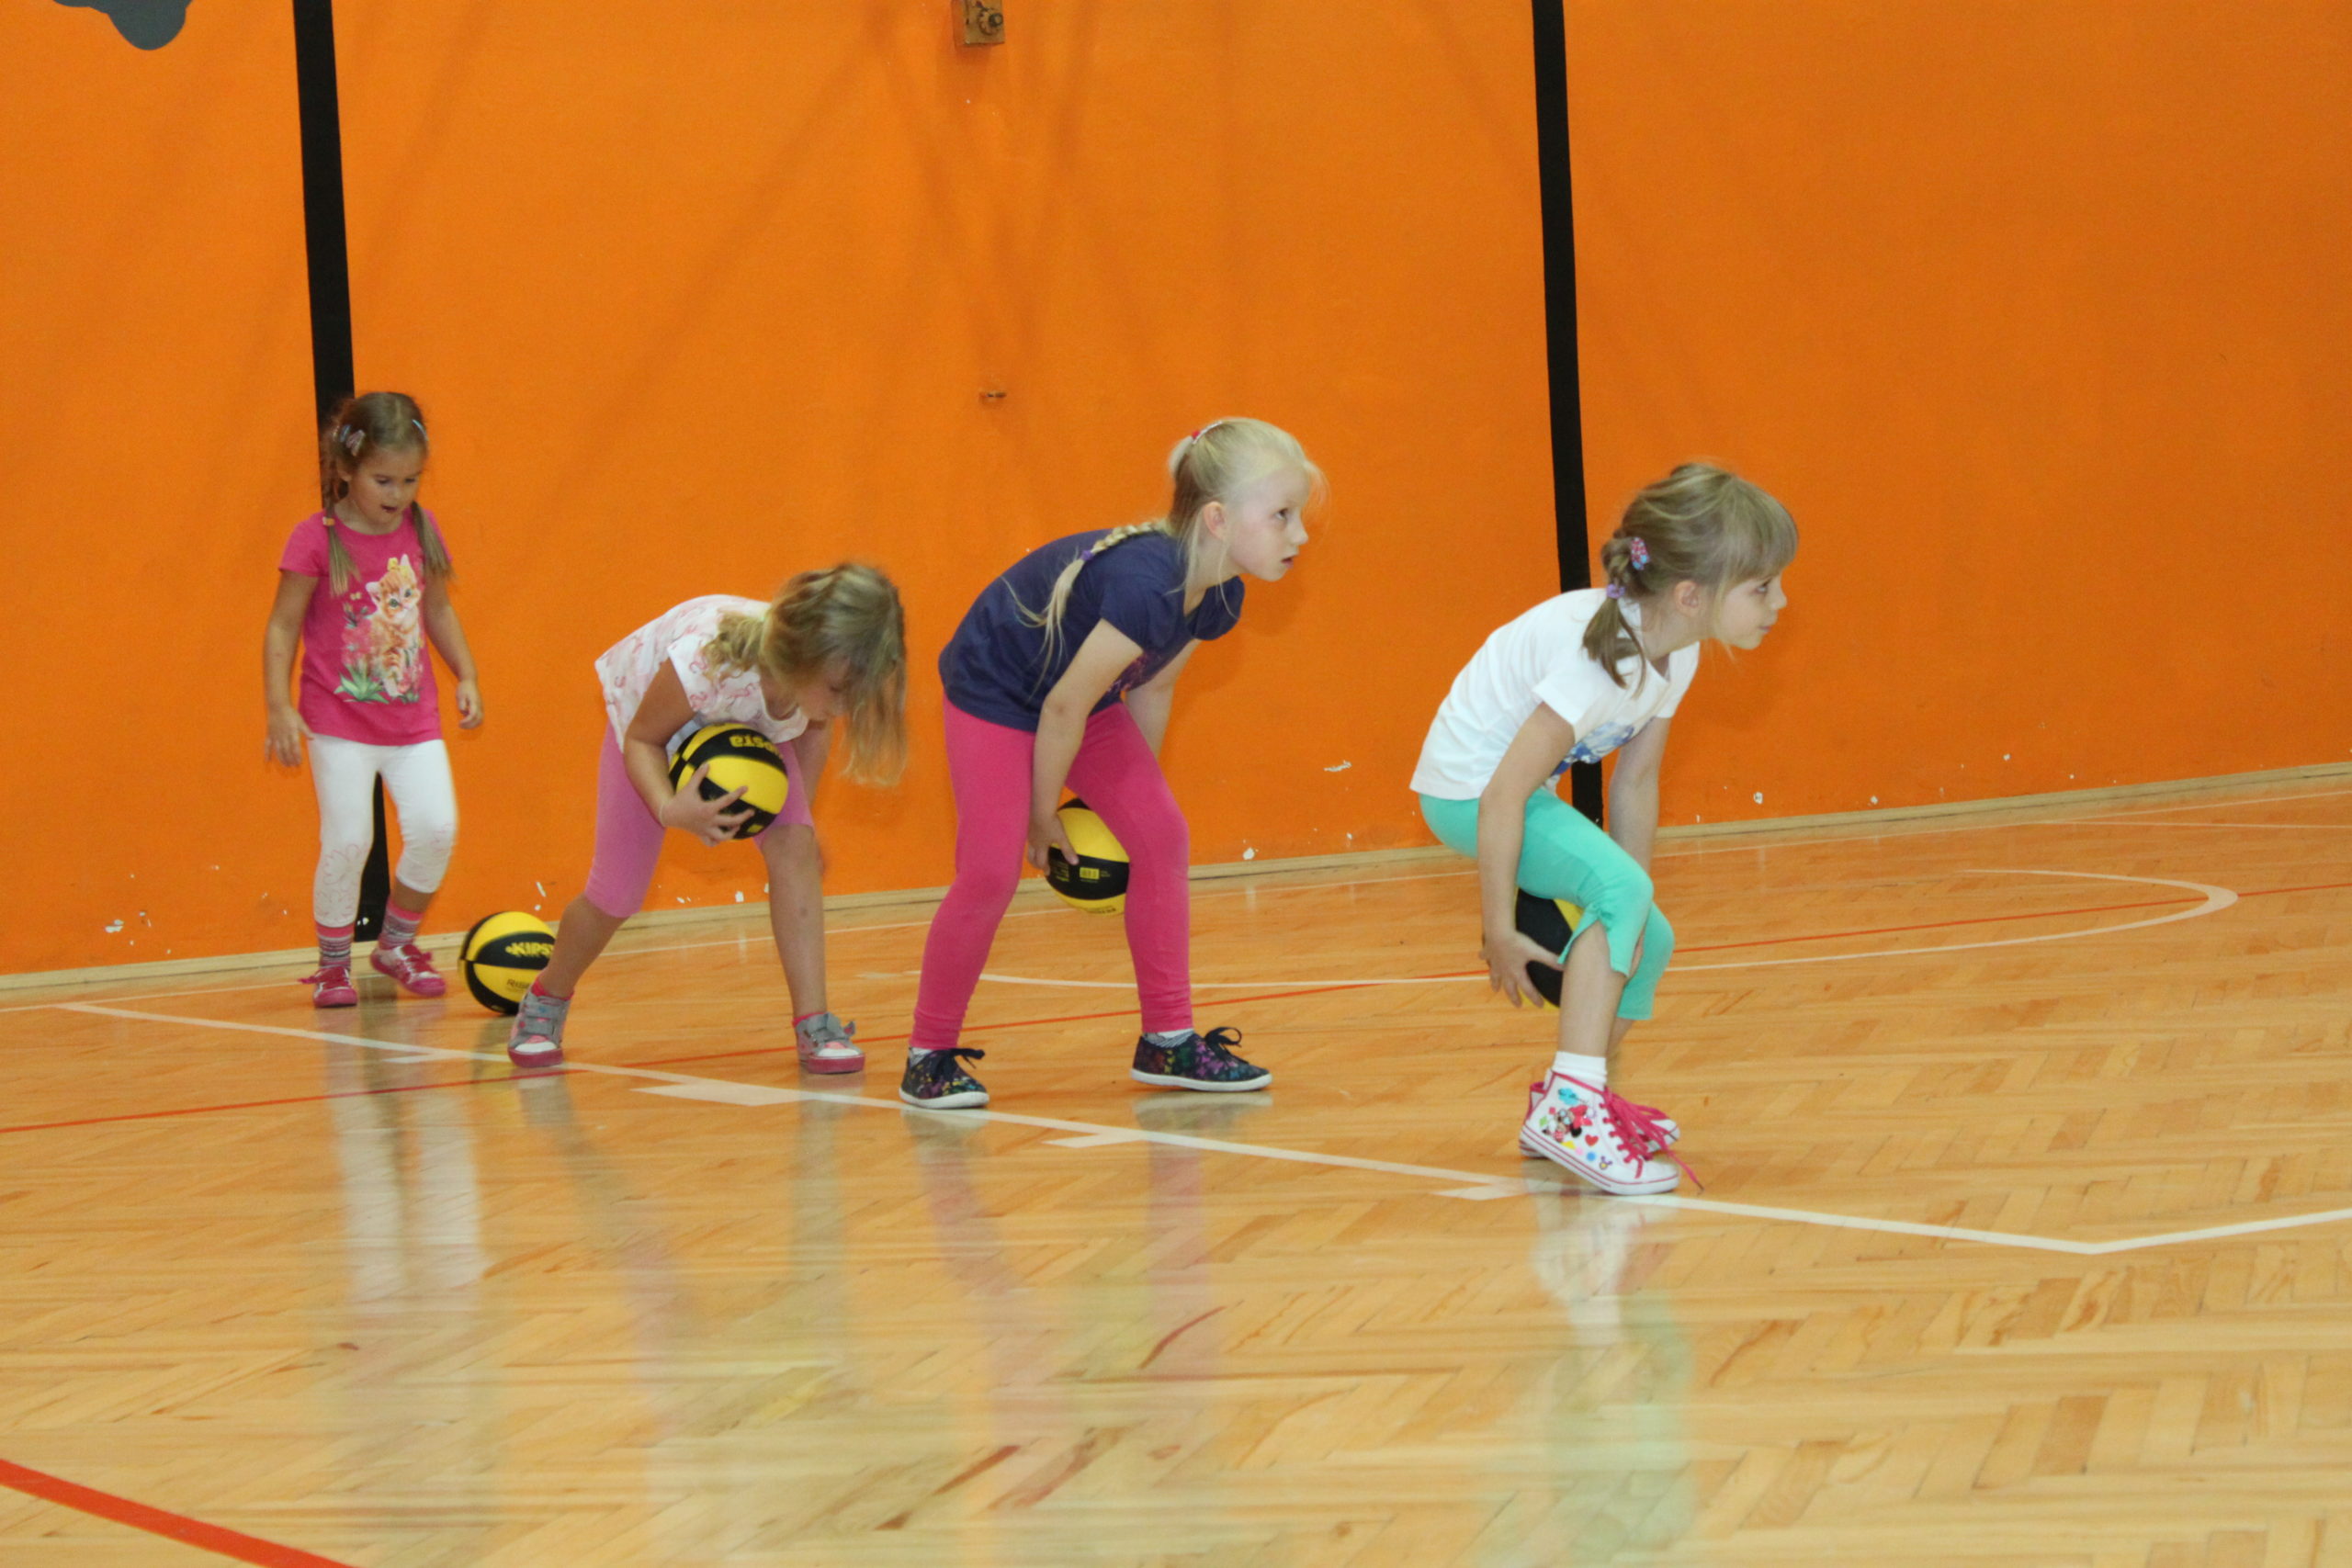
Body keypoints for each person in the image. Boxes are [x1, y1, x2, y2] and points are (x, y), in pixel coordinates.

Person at [903, 418, 1319, 1109]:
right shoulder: (1146, 584)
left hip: (1082, 699)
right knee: (991, 870)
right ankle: (928, 1055)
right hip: (996, 689)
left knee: (1162, 835)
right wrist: (1042, 814)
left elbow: (1150, 687)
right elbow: (1062, 705)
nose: (1299, 533)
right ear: (1217, 519)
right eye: (1282, 514)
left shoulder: (1221, 590)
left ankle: (1168, 1040)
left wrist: (1128, 799)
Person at [1411, 462, 1796, 1194]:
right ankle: (1573, 1113)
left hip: (1509, 794)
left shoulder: (1677, 647)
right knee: (1622, 892)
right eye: (1762, 586)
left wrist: (1632, 908)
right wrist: (1497, 927)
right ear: (1691, 594)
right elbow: (1502, 794)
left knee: (1652, 933)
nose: (1779, 602)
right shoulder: (1598, 655)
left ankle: (1570, 1100)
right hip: (1469, 793)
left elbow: (1636, 781)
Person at [505, 567, 908, 1070]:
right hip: (654, 730)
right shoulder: (709, 661)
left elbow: (813, 730)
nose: (844, 707)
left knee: (796, 854)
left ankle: (815, 1023)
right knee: (616, 894)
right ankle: (546, 997)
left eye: (855, 695)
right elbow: (643, 739)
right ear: (804, 653)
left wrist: (800, 830)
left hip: (743, 723)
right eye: (838, 690)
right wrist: (669, 808)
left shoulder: (816, 690)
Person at [264, 392, 481, 1008]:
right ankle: (334, 965)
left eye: (411, 480)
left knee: (437, 827)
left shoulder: (421, 528)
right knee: (349, 840)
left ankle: (396, 945)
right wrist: (279, 706)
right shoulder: (315, 539)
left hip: (413, 721)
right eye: (384, 480)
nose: (398, 494)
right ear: (345, 469)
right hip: (338, 722)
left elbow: (438, 609)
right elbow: (282, 626)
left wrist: (465, 673)